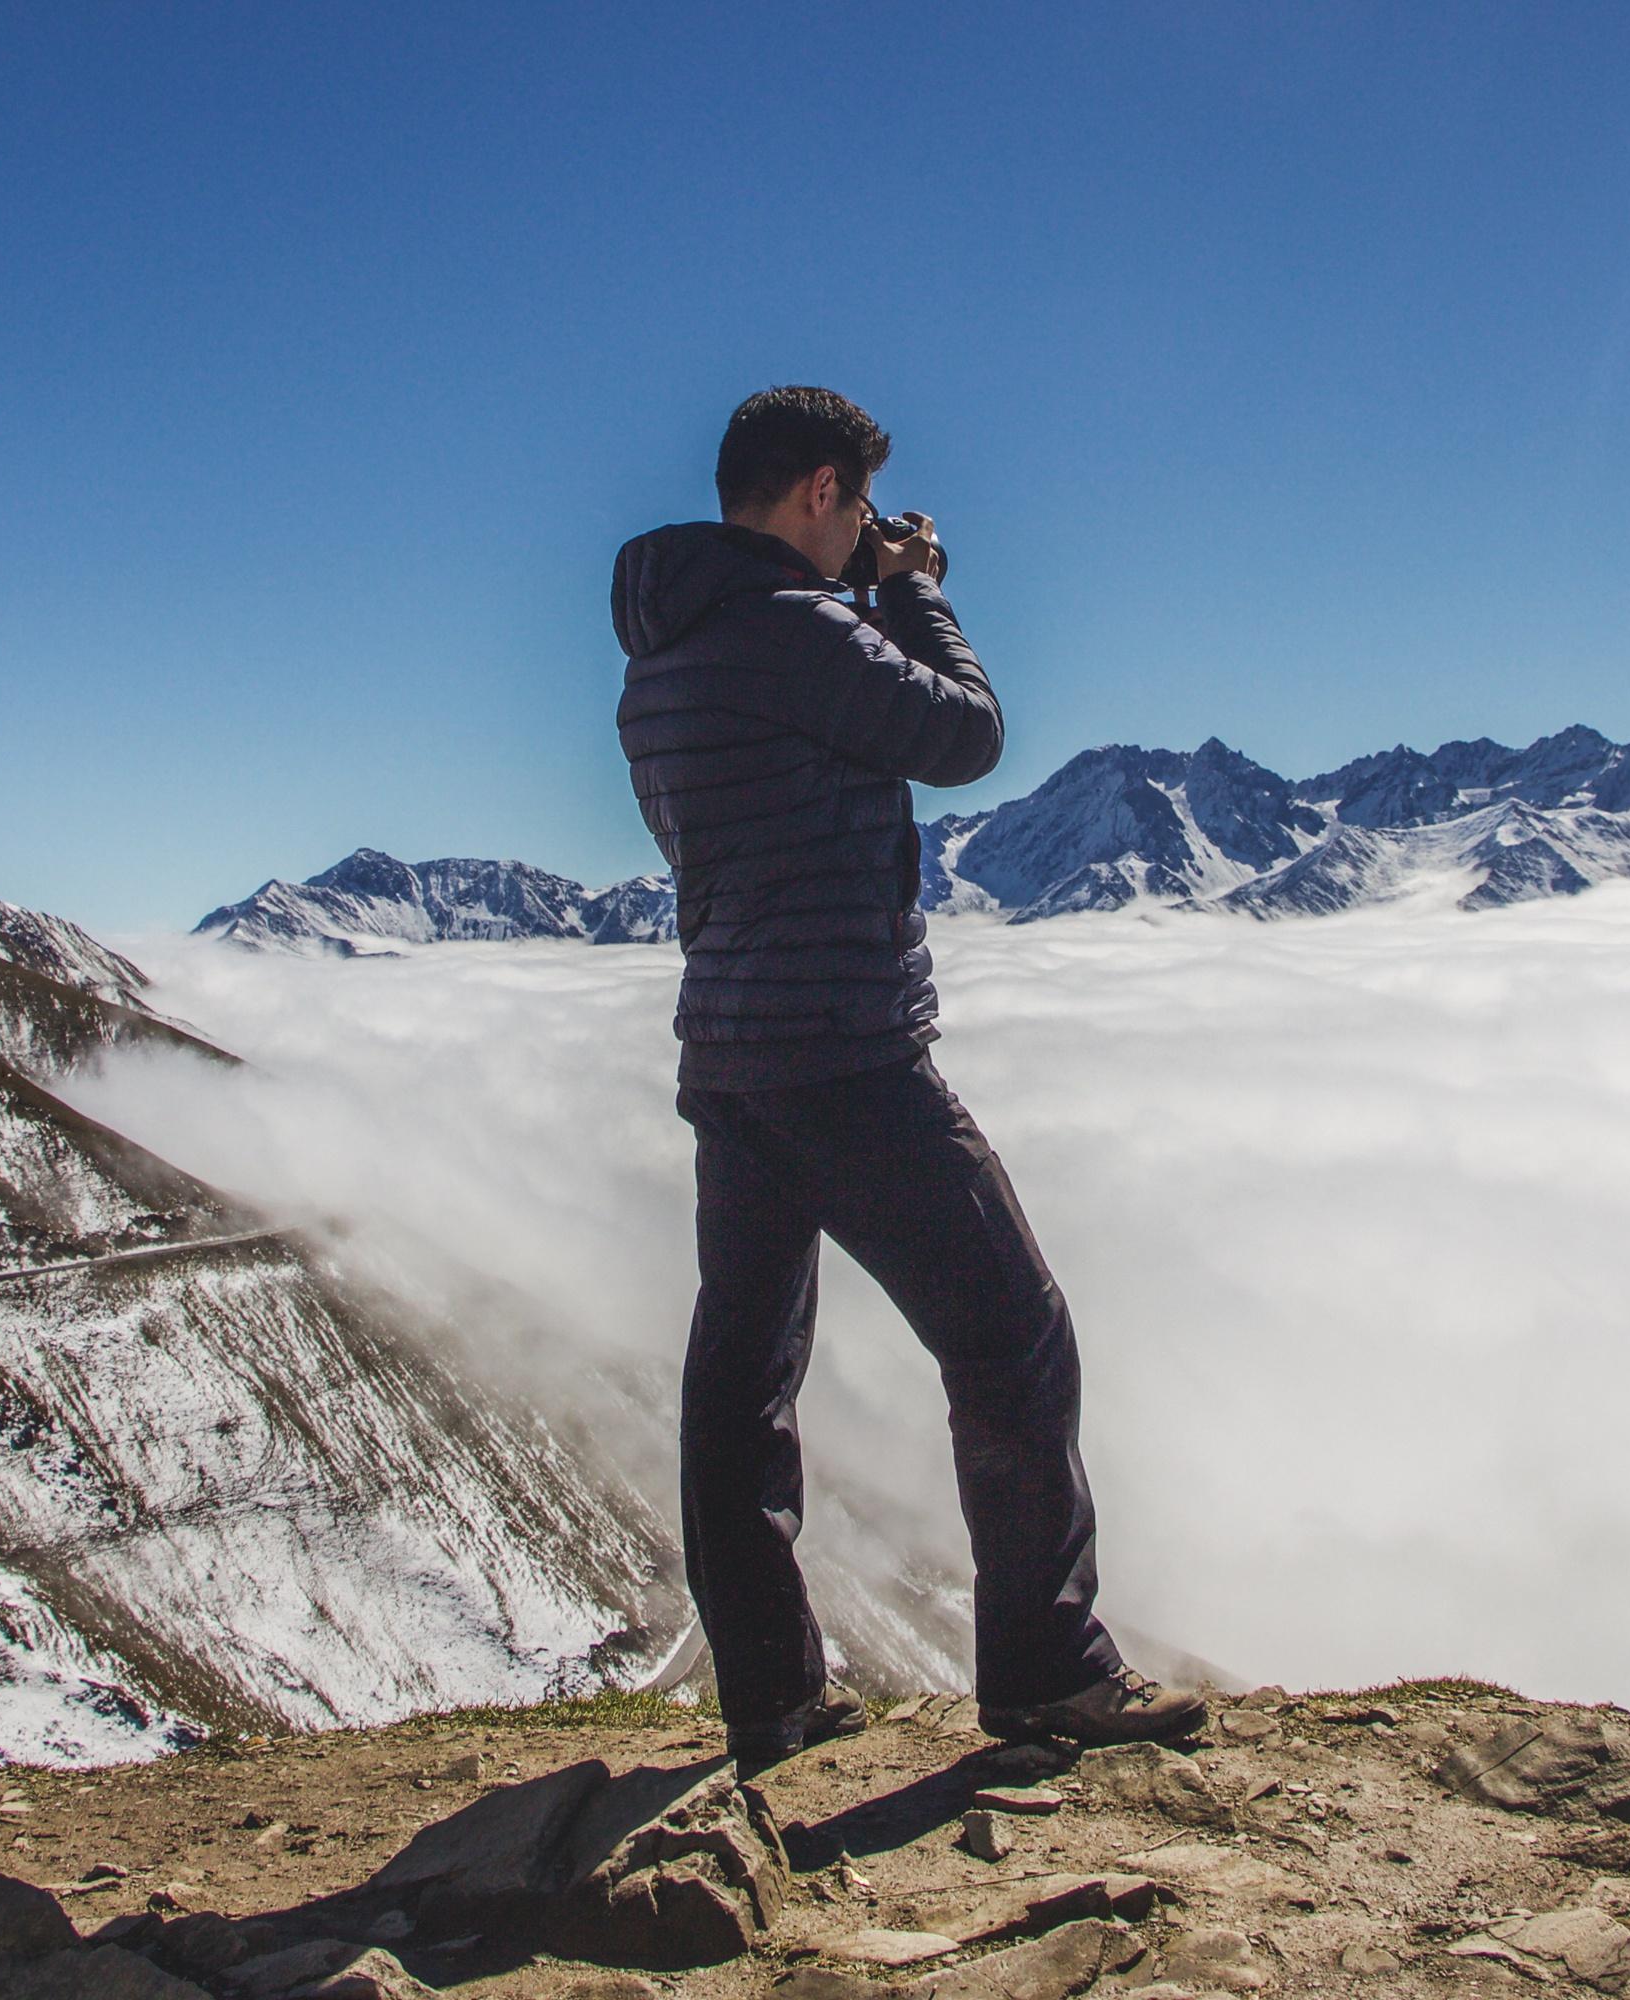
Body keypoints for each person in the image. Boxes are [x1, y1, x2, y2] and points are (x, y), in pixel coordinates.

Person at [612, 385, 1206, 1776]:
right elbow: (962, 734)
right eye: (862, 509)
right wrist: (920, 591)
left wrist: (864, 603)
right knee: (1016, 1339)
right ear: (822, 490)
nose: (873, 533)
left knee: (741, 1379)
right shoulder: (789, 625)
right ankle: (1051, 1675)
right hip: (850, 1053)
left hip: (733, 1055)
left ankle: (772, 1698)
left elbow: (811, 749)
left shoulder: (668, 653)